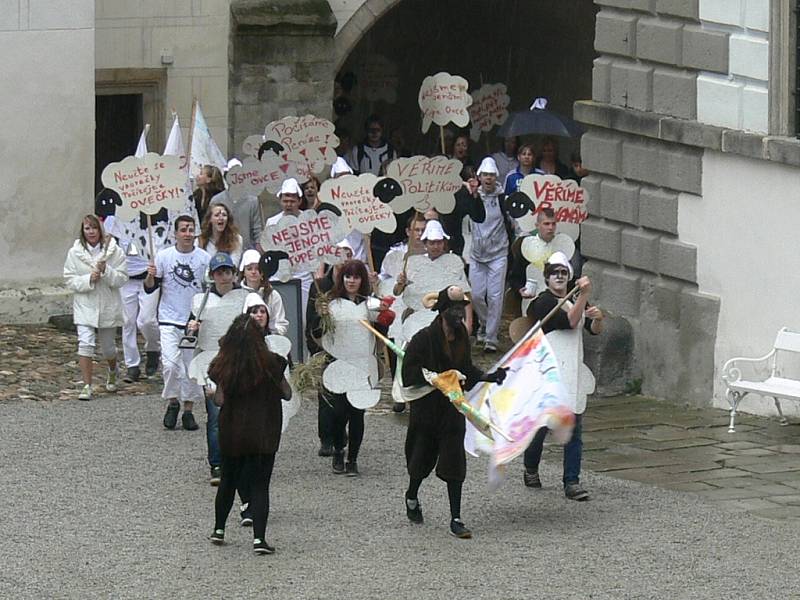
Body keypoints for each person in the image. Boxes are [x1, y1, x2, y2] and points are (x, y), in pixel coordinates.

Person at [401, 286, 507, 538]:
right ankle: (412, 495)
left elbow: (466, 369)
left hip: (451, 410)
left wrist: (488, 377)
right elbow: (408, 375)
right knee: (420, 460)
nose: (460, 313)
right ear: (443, 311)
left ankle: (456, 518)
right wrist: (436, 378)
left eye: (462, 308)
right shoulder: (423, 339)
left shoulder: (461, 337)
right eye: (455, 309)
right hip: (427, 410)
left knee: (454, 461)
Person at [208, 313, 292, 555]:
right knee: (260, 485)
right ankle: (259, 539)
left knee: (228, 482)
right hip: (263, 434)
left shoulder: (223, 365)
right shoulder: (273, 364)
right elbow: (286, 394)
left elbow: (220, 399)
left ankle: (219, 529)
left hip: (232, 433)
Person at [522, 252, 603, 501]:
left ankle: (572, 481)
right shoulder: (543, 303)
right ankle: (531, 466)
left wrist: (598, 318)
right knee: (542, 427)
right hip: (549, 373)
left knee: (574, 428)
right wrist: (584, 297)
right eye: (555, 273)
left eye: (563, 273)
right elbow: (569, 321)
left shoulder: (575, 301)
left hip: (573, 372)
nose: (559, 277)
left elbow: (593, 329)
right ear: (547, 278)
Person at [309, 259, 389, 475]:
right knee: (337, 412)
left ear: (362, 280)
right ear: (341, 278)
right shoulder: (331, 304)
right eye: (348, 276)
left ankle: (352, 458)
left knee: (357, 413)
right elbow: (317, 333)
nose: (351, 281)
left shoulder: (369, 304)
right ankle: (338, 449)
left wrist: (383, 314)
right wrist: (321, 317)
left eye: (356, 277)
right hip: (338, 363)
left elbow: (382, 331)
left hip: (362, 365)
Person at [145, 215, 211, 431]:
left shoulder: (203, 258)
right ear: (175, 233)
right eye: (183, 229)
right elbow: (150, 287)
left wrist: (199, 318)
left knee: (190, 367)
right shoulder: (164, 256)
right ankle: (173, 401)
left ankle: (189, 410)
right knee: (171, 365)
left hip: (191, 321)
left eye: (191, 229)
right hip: (168, 319)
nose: (187, 233)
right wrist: (150, 276)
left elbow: (208, 290)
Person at [187, 251, 242, 485]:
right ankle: (217, 463)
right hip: (211, 362)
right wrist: (193, 328)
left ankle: (239, 458)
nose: (224, 277)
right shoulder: (201, 302)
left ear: (233, 274)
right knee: (216, 413)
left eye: (227, 272)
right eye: (219, 273)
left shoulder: (244, 299)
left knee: (241, 412)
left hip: (238, 361)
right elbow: (188, 335)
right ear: (212, 275)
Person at [63, 215, 128, 400]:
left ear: (100, 230)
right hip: (86, 304)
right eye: (87, 228)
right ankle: (86, 385)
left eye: (94, 228)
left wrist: (106, 271)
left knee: (108, 348)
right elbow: (69, 279)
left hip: (107, 304)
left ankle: (113, 369)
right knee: (85, 344)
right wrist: (88, 279)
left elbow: (122, 278)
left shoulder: (114, 251)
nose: (91, 232)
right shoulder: (74, 252)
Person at [306, 241, 354, 456]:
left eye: (345, 255)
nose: (340, 259)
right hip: (324, 345)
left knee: (344, 393)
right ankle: (326, 437)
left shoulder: (352, 287)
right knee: (326, 394)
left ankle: (339, 432)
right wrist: (314, 346)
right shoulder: (319, 286)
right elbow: (311, 320)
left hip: (347, 347)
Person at [468, 157, 513, 353]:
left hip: (498, 253)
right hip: (477, 255)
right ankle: (485, 325)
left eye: (492, 175)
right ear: (479, 176)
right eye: (485, 175)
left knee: (495, 297)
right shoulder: (472, 196)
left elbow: (513, 221)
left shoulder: (503, 197)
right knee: (477, 295)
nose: (488, 178)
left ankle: (491, 338)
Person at [438, 164, 486, 258]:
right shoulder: (425, 191)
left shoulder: (462, 193)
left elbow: (479, 217)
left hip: (455, 246)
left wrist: (474, 195)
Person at [239, 249, 289, 336]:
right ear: (244, 272)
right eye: (249, 269)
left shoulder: (273, 295)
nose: (253, 272)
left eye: (257, 269)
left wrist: (272, 333)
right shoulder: (237, 295)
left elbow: (281, 324)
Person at [210, 186, 263, 252]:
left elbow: (257, 228)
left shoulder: (253, 200)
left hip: (247, 250)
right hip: (222, 250)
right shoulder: (216, 200)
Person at [198, 202, 243, 268]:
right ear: (210, 219)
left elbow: (234, 265)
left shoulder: (236, 239)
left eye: (224, 215)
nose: (221, 218)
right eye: (217, 215)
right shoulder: (200, 240)